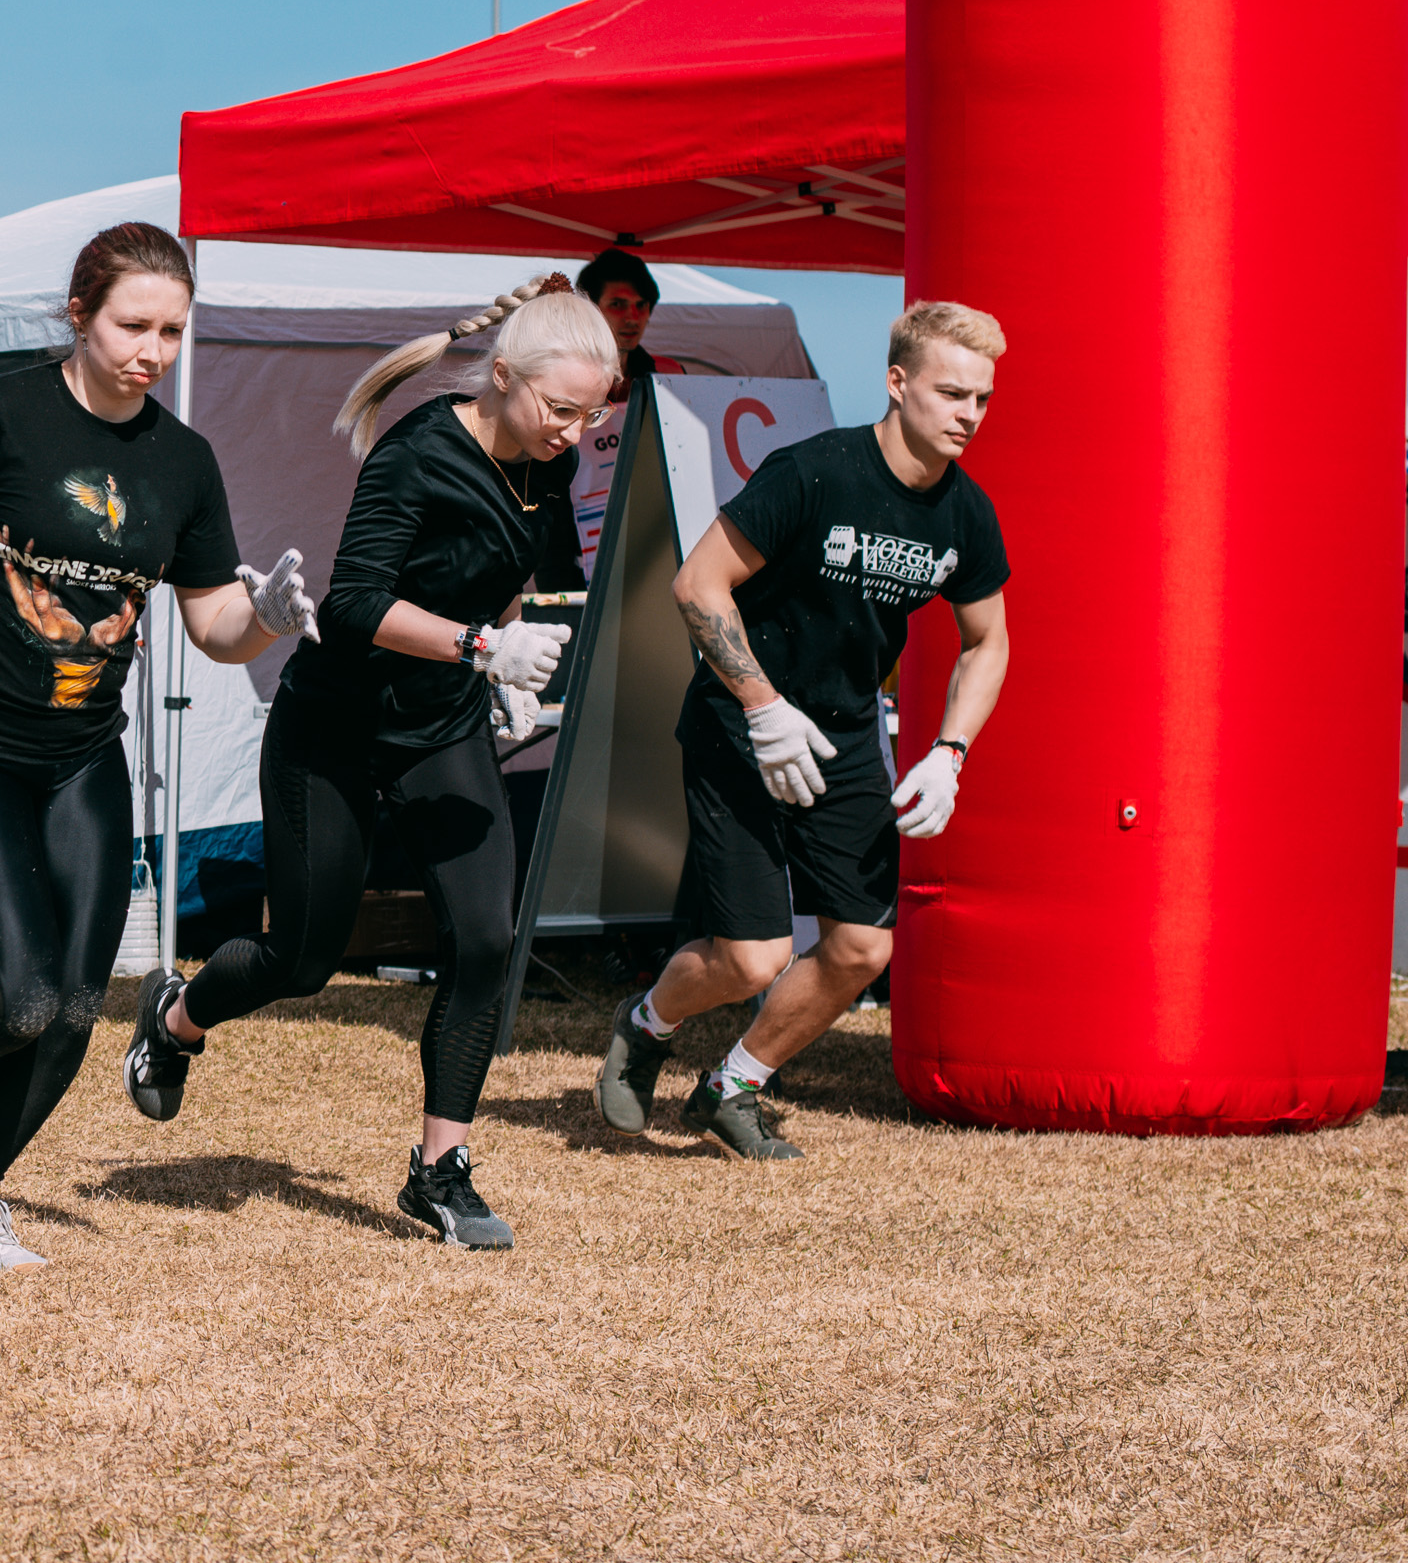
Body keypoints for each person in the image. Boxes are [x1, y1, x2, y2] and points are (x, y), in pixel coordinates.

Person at [0, 222, 308, 1271]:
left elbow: (214, 624)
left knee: (76, 1008)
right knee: (16, 998)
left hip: (83, 756)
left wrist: (265, 617)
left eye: (172, 331)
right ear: (79, 313)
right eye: (133, 326)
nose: (153, 352)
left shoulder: (184, 462)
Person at [120, 275, 613, 1252]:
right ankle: (176, 1016)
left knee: (485, 939)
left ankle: (439, 1172)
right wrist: (481, 647)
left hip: (441, 726)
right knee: (302, 961)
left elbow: (516, 574)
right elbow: (352, 605)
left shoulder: (545, 464)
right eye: (561, 410)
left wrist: (513, 661)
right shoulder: (421, 450)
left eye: (589, 416)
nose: (573, 432)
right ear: (503, 377)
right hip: (335, 726)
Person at [597, 300, 1012, 1158]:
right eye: (951, 393)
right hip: (739, 721)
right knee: (750, 959)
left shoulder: (965, 512)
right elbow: (697, 584)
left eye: (981, 398)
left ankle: (733, 1087)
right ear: (896, 383)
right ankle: (646, 1026)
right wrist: (762, 706)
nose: (969, 414)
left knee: (861, 948)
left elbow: (988, 640)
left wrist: (949, 754)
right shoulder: (815, 472)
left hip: (846, 734)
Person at [576, 243, 662, 385]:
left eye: (641, 305)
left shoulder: (657, 375)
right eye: (617, 304)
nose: (633, 319)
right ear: (590, 309)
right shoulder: (565, 374)